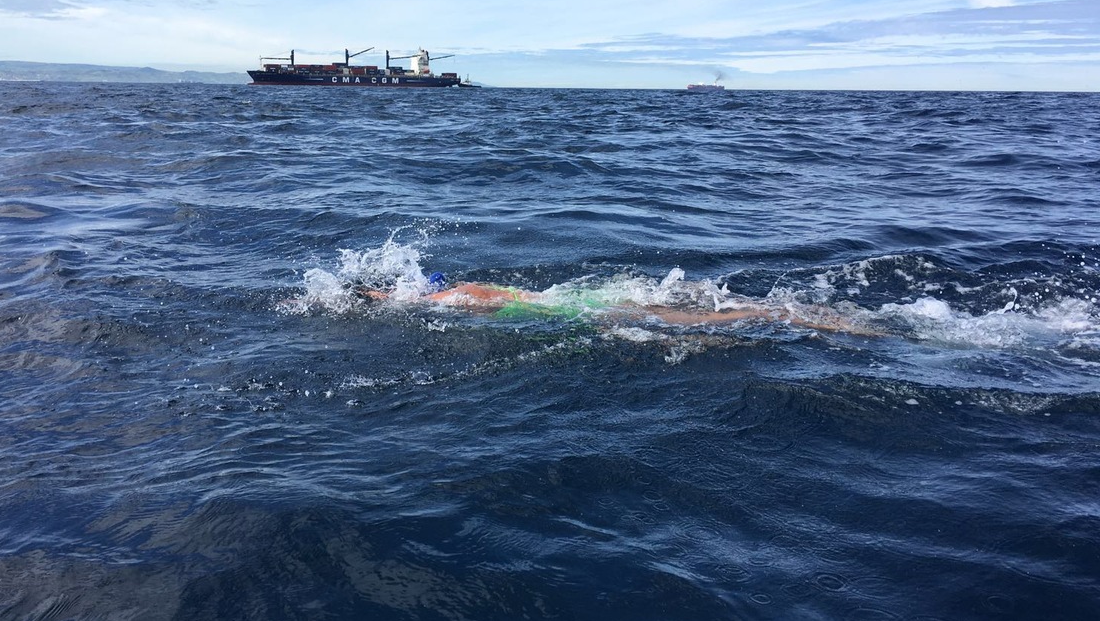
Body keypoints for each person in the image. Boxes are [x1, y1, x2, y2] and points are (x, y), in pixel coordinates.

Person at [363, 273, 874, 335]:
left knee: (672, 318)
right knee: (675, 306)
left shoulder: (462, 298)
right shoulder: (469, 288)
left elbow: (398, 300)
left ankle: (779, 313)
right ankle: (782, 311)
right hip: (582, 296)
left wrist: (378, 299)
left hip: (578, 310)